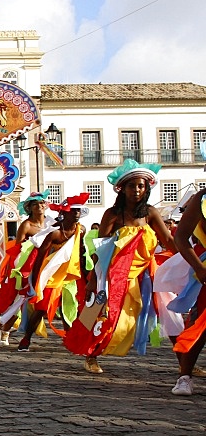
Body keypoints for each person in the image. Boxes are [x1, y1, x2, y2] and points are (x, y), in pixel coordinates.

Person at [64, 160, 175, 374]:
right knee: (100, 313)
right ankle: (90, 355)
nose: (136, 190)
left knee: (168, 311)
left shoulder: (150, 213)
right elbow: (101, 248)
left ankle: (185, 361)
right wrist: (95, 280)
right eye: (132, 186)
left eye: (141, 186)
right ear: (122, 189)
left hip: (146, 273)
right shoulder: (113, 214)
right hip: (113, 274)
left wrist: (188, 261)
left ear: (147, 188)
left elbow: (168, 240)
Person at [17, 194, 88, 351]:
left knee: (69, 306)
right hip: (51, 274)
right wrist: (35, 280)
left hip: (71, 273)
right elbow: (40, 257)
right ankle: (26, 338)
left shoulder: (81, 230)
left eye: (79, 211)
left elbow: (82, 252)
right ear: (65, 213)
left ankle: (70, 339)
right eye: (73, 210)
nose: (77, 214)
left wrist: (86, 274)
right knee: (42, 308)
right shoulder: (54, 233)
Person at [0, 191, 51, 345]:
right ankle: (5, 331)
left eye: (41, 203)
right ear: (29, 208)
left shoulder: (51, 223)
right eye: (35, 204)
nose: (39, 206)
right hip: (26, 267)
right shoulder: (26, 225)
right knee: (19, 300)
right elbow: (18, 249)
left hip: (47, 265)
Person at [169, 185, 206, 395]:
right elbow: (180, 237)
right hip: (205, 267)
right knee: (201, 323)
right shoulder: (201, 199)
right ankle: (185, 377)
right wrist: (199, 268)